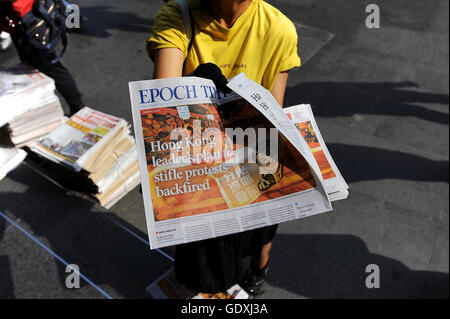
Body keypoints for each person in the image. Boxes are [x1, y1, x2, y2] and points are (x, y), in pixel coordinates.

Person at [147, 0, 301, 296]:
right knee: (207, 251)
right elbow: (161, 103)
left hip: (249, 151)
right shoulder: (179, 15)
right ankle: (231, 280)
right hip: (199, 157)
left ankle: (258, 270)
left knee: (263, 222)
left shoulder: (279, 28)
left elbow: (273, 110)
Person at [0, 0, 84, 115]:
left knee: (51, 68)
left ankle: (78, 107)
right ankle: (71, 106)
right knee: (31, 67)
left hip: (26, 20)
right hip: (18, 20)